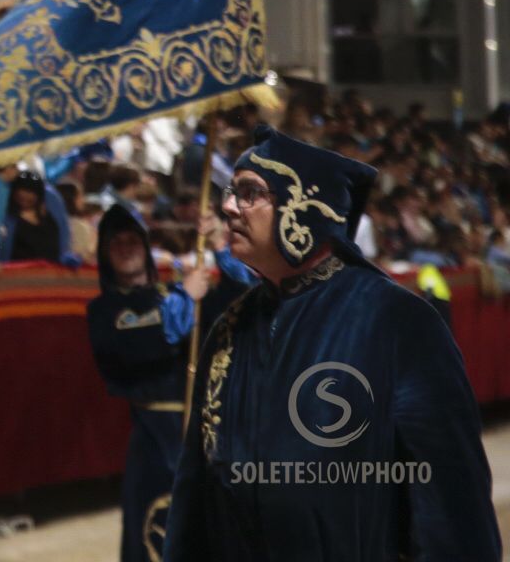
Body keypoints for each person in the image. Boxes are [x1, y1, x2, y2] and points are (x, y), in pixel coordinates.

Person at [164, 127, 500, 561]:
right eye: (232, 191)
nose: (228, 206)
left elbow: (452, 504)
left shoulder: (396, 320)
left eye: (249, 193)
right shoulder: (229, 327)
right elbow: (194, 497)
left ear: (301, 210)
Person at [88, 205, 225, 562]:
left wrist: (220, 245)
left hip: (202, 433)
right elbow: (138, 347)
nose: (126, 247)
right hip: (154, 440)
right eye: (115, 242)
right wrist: (184, 299)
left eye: (132, 239)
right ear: (104, 253)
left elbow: (236, 307)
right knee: (155, 534)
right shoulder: (103, 311)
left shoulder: (177, 293)